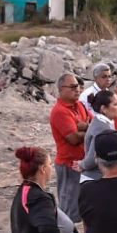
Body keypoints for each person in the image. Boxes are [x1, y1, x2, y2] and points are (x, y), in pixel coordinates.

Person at [49, 73, 91, 222]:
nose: (77, 89)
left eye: (78, 86)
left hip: (82, 163)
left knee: (85, 208)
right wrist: (87, 129)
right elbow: (73, 139)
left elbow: (94, 124)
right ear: (61, 89)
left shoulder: (80, 105)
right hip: (69, 165)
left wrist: (84, 127)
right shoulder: (60, 111)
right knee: (69, 211)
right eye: (73, 87)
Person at [79, 90, 117, 182]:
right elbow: (92, 158)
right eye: (115, 104)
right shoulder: (101, 128)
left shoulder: (102, 123)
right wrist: (81, 165)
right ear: (103, 108)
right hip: (94, 178)